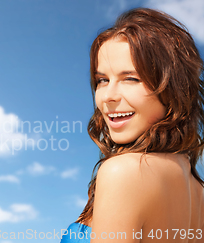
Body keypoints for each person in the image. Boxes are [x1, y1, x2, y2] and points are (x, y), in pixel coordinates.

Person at [61, 8, 204, 243]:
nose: (108, 96)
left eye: (131, 78)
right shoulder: (198, 192)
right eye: (102, 80)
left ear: (172, 88)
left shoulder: (123, 172)